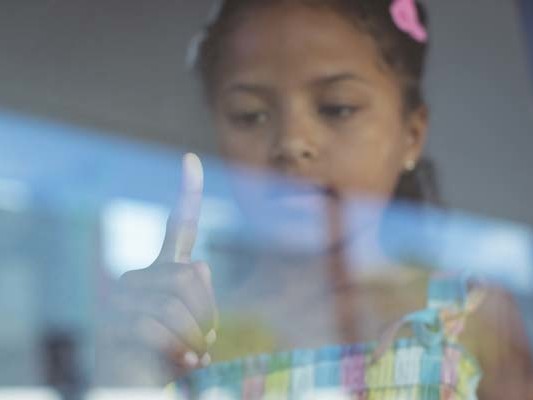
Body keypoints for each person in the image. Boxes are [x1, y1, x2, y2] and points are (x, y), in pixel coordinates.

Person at [111, 0, 533, 398]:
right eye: (250, 115)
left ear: (412, 134)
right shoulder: (188, 334)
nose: (293, 142)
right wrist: (137, 370)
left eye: (337, 107)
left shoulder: (470, 316)